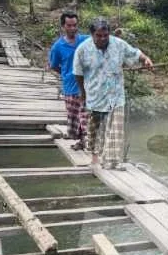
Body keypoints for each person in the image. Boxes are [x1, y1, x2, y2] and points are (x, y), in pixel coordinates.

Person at [73, 17, 154, 168]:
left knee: (115, 128)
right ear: (92, 34)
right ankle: (95, 157)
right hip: (94, 94)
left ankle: (111, 162)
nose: (103, 38)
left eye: (105, 35)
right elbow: (78, 73)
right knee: (94, 129)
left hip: (115, 95)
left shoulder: (118, 44)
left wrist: (146, 59)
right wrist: (83, 94)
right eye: (99, 35)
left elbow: (135, 53)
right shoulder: (82, 50)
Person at [47, 11, 89, 150]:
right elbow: (54, 65)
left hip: (87, 86)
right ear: (63, 26)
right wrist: (66, 75)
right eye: (69, 26)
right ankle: (82, 141)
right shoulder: (57, 47)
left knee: (86, 117)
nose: (72, 28)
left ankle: (89, 144)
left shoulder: (85, 41)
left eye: (75, 25)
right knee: (74, 118)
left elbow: (102, 42)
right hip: (70, 87)